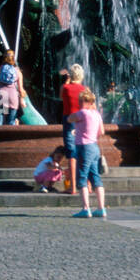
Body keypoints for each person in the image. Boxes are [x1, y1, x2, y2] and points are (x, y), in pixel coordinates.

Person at [69, 88, 107, 219]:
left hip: (83, 147)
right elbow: (101, 131)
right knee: (95, 177)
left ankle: (86, 209)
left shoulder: (83, 113)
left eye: (81, 101)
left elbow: (69, 119)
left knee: (82, 176)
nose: (79, 103)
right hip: (94, 147)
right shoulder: (97, 114)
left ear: (87, 102)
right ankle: (101, 208)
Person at [61, 65, 85, 194]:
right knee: (83, 152)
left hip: (69, 121)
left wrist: (67, 80)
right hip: (82, 122)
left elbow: (61, 97)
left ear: (70, 75)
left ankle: (73, 187)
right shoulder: (85, 89)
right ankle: (88, 185)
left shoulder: (65, 88)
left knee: (71, 154)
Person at [0, 50, 24, 126]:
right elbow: (20, 89)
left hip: (1, 95)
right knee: (11, 122)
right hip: (13, 97)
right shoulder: (17, 71)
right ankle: (11, 137)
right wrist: (22, 99)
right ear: (13, 58)